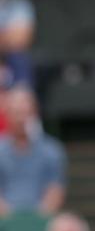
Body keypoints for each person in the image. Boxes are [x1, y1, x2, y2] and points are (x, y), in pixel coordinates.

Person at [0, 87, 66, 216]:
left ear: (35, 113)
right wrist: (10, 218)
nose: (20, 119)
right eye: (15, 113)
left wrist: (36, 219)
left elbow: (56, 191)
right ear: (7, 114)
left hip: (42, 221)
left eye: (24, 112)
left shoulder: (52, 150)